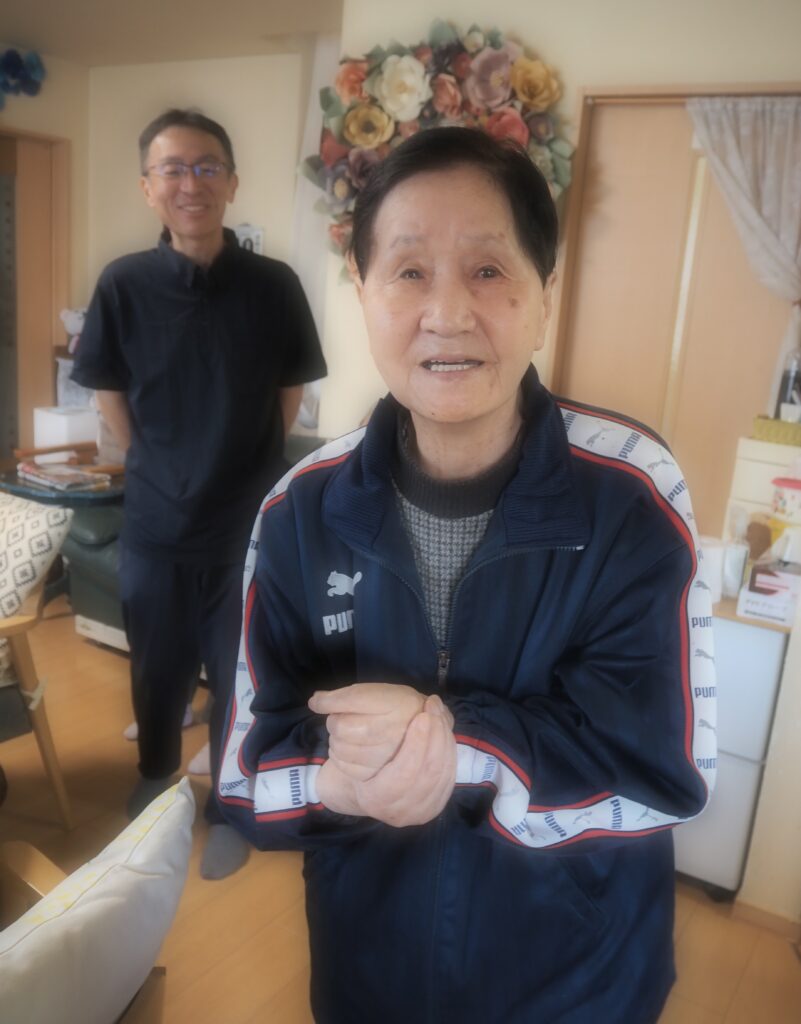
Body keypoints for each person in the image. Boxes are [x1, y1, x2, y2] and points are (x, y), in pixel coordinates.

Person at [217, 127, 716, 1020]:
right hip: (368, 974)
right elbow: (244, 776)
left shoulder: (633, 492)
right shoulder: (300, 510)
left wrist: (453, 748)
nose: (446, 313)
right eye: (408, 271)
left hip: (577, 983)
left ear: (544, 296)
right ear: (363, 292)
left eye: (486, 270)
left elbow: (662, 768)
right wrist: (338, 779)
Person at [71, 108, 327, 880]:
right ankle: (155, 780)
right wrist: (150, 458)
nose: (192, 183)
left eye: (207, 166)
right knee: (156, 668)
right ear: (148, 187)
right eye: (173, 169)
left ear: (232, 182)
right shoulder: (123, 284)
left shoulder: (273, 285)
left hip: (245, 526)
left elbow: (289, 392)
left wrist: (248, 462)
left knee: (240, 673)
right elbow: (107, 388)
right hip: (154, 521)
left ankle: (229, 805)